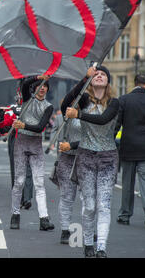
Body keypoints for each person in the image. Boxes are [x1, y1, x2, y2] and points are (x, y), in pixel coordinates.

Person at [64, 66, 119, 258]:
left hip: (108, 158)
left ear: (108, 81)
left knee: (103, 205)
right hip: (85, 157)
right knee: (89, 206)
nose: (100, 75)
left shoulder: (114, 102)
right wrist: (83, 79)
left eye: (103, 74)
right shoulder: (84, 100)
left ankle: (101, 247)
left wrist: (78, 115)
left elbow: (103, 119)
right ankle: (88, 242)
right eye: (96, 74)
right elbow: (66, 105)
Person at [10, 75, 55, 231]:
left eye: (44, 86)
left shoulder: (49, 107)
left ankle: (44, 219)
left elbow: (41, 127)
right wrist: (38, 77)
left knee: (39, 183)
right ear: (34, 88)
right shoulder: (27, 100)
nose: (42, 88)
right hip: (21, 143)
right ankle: (15, 214)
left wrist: (23, 124)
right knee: (19, 182)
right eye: (39, 85)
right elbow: (25, 83)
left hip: (36, 145)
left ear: (47, 89)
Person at [115, 73, 145, 228]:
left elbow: (117, 124)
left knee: (127, 183)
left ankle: (125, 214)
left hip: (128, 147)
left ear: (135, 83)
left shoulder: (123, 100)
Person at [55, 100, 82, 244]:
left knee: (88, 198)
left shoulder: (89, 114)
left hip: (85, 158)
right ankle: (65, 230)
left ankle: (90, 230)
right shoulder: (65, 114)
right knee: (66, 196)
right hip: (66, 158)